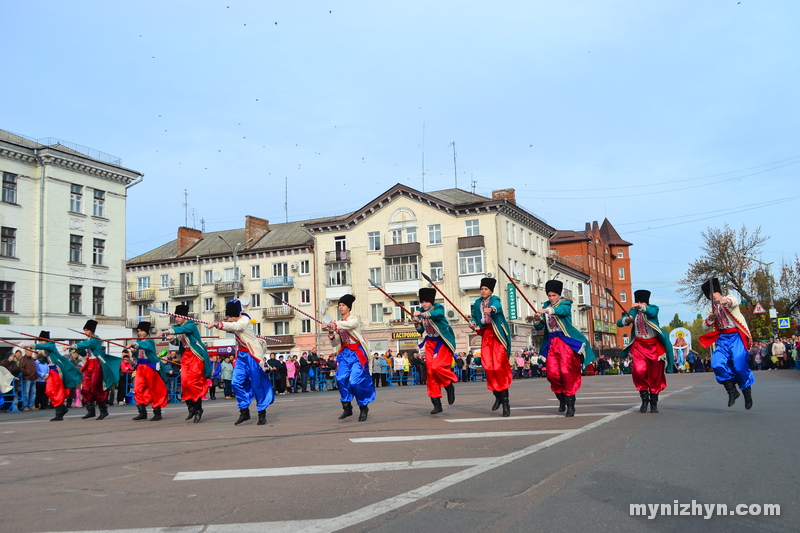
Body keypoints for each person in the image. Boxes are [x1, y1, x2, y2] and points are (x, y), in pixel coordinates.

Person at [533, 280, 596, 417]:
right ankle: (561, 398)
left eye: (554, 295)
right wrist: (537, 319)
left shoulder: (565, 304)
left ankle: (570, 404)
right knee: (552, 374)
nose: (551, 298)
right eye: (549, 295)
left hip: (565, 342)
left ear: (559, 295)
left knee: (567, 372)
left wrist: (547, 310)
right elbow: (539, 327)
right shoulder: (545, 306)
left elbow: (561, 311)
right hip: (551, 343)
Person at [211, 300, 274, 425]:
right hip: (241, 357)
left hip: (252, 356)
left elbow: (236, 327)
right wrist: (219, 325)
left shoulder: (244, 321)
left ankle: (262, 413)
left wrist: (218, 324)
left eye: (229, 317)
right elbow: (231, 328)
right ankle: (244, 411)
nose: (228, 319)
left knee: (256, 385)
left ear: (235, 315)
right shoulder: (235, 322)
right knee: (236, 383)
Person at [699, 278, 754, 409]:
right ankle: (732, 391)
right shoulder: (710, 309)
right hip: (722, 339)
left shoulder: (729, 298)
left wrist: (724, 301)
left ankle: (747, 393)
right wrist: (711, 318)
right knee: (716, 364)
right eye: (710, 296)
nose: (713, 296)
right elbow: (704, 327)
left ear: (719, 293)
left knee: (739, 366)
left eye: (714, 294)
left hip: (736, 337)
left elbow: (733, 302)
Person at [616, 290, 673, 413]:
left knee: (655, 375)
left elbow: (652, 313)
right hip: (638, 346)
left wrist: (641, 307)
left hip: (654, 347)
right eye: (638, 301)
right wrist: (627, 320)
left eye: (641, 301)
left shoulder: (653, 308)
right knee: (638, 370)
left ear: (646, 302)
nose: (639, 303)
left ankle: (654, 402)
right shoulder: (633, 311)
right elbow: (619, 323)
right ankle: (644, 399)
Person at [324, 294, 375, 421]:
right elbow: (335, 343)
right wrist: (331, 333)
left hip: (357, 354)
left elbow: (347, 325)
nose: (340, 307)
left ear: (349, 307)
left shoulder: (354, 320)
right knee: (340, 378)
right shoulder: (339, 323)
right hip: (345, 354)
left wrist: (332, 325)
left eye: (343, 305)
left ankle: (363, 406)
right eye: (339, 305)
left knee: (354, 381)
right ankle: (347, 407)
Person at [159, 305, 212, 422]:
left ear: (184, 317)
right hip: (186, 357)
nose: (176, 319)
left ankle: (198, 409)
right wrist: (174, 340)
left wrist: (168, 331)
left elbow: (184, 331)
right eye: (175, 317)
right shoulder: (180, 327)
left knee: (193, 382)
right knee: (185, 381)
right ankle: (191, 408)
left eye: (178, 317)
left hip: (196, 356)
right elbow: (182, 341)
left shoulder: (191, 325)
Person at [469, 277, 513, 417]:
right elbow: (475, 317)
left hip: (498, 336)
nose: (483, 291)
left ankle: (505, 402)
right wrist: (473, 323)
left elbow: (497, 307)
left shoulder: (495, 300)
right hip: (487, 336)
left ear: (491, 291)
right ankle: (497, 395)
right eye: (482, 289)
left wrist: (492, 309)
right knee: (488, 367)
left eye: (486, 289)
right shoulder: (477, 303)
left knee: (499, 367)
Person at [413, 287, 458, 414]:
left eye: (426, 301)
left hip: (442, 341)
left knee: (437, 367)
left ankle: (449, 385)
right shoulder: (420, 311)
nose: (423, 304)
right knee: (430, 372)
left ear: (431, 301)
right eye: (422, 302)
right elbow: (421, 331)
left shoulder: (438, 308)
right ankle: (436, 402)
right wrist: (417, 323)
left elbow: (437, 315)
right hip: (430, 343)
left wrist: (422, 315)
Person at [72, 320, 121, 420]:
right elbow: (85, 353)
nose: (86, 332)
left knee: (95, 387)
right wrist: (78, 350)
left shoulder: (95, 339)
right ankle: (90, 410)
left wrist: (76, 345)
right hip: (89, 363)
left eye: (87, 330)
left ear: (92, 331)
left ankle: (103, 410)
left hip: (96, 364)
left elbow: (87, 345)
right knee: (85, 387)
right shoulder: (88, 340)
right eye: (85, 330)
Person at [34, 331, 83, 421]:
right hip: (51, 371)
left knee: (56, 391)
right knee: (49, 391)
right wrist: (40, 356)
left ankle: (59, 412)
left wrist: (32, 346)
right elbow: (46, 360)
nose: (40, 342)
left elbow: (45, 346)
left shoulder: (51, 345)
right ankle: (62, 408)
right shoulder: (47, 349)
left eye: (41, 340)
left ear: (45, 340)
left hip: (56, 371)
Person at [126, 322, 169, 421]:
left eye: (141, 331)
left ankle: (157, 413)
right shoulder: (138, 341)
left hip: (150, 367)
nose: (140, 333)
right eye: (138, 331)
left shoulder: (149, 341)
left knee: (154, 389)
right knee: (137, 388)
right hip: (140, 368)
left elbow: (144, 346)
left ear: (147, 332)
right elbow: (137, 354)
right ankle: (142, 412)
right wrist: (133, 352)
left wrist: (133, 344)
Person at [18, 346, 38, 411]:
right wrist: (28, 372)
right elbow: (21, 368)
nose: (30, 352)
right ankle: (25, 406)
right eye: (29, 351)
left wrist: (36, 376)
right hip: (27, 378)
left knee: (33, 393)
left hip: (33, 378)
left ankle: (31, 405)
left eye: (31, 351)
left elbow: (35, 369)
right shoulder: (23, 359)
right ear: (25, 351)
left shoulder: (32, 359)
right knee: (26, 393)